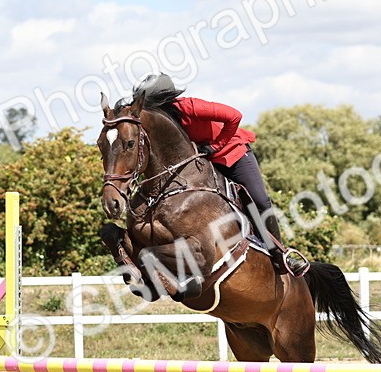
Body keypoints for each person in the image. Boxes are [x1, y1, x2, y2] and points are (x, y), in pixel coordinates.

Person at [132, 73, 309, 277]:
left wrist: (216, 145)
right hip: (206, 161)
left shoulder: (190, 106)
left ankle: (280, 254)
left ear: (162, 100)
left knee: (260, 201)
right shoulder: (164, 122)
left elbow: (234, 116)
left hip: (234, 155)